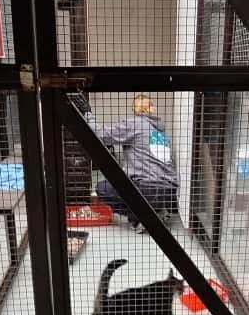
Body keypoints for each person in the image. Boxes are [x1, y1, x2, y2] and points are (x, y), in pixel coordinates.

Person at [71, 93, 179, 233]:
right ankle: (158, 211)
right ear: (152, 108)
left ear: (134, 110)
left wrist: (87, 113)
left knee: (103, 188)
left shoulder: (135, 122)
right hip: (169, 193)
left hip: (149, 190)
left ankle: (141, 219)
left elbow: (101, 134)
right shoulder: (161, 132)